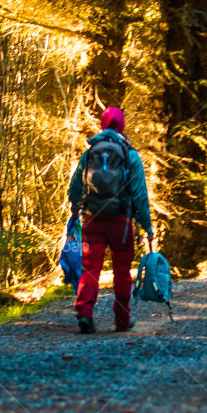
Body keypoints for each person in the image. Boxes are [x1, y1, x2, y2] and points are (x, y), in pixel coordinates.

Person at [66, 105, 153, 333]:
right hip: (121, 222)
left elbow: (75, 185)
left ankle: (85, 314)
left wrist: (75, 208)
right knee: (122, 272)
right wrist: (147, 226)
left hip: (93, 218)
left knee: (90, 268)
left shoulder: (90, 152)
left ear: (103, 126)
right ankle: (122, 321)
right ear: (122, 126)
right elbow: (140, 194)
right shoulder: (129, 154)